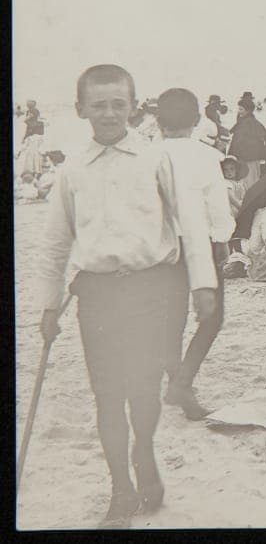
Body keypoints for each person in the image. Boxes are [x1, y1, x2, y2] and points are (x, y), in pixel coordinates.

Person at [37, 64, 217, 528]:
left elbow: (191, 222)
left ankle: (145, 453)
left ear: (135, 107)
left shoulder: (158, 159)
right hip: (97, 293)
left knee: (143, 390)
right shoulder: (72, 170)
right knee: (107, 393)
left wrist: (204, 284)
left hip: (157, 287)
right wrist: (49, 303)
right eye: (99, 104)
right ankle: (120, 486)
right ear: (81, 110)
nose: (110, 112)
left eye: (120, 103)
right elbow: (56, 243)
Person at [155, 88, 236, 420]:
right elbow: (217, 206)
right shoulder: (206, 156)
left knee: (170, 321)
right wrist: (223, 238)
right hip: (199, 243)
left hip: (160, 248)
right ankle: (183, 381)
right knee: (212, 317)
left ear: (158, 121)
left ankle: (176, 381)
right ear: (197, 119)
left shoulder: (148, 155)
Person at [228, 95, 266, 191]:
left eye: (241, 109)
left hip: (244, 159)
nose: (239, 111)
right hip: (255, 158)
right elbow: (263, 139)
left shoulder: (244, 123)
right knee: (254, 180)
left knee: (245, 182)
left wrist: (231, 155)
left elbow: (237, 141)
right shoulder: (256, 123)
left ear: (248, 111)